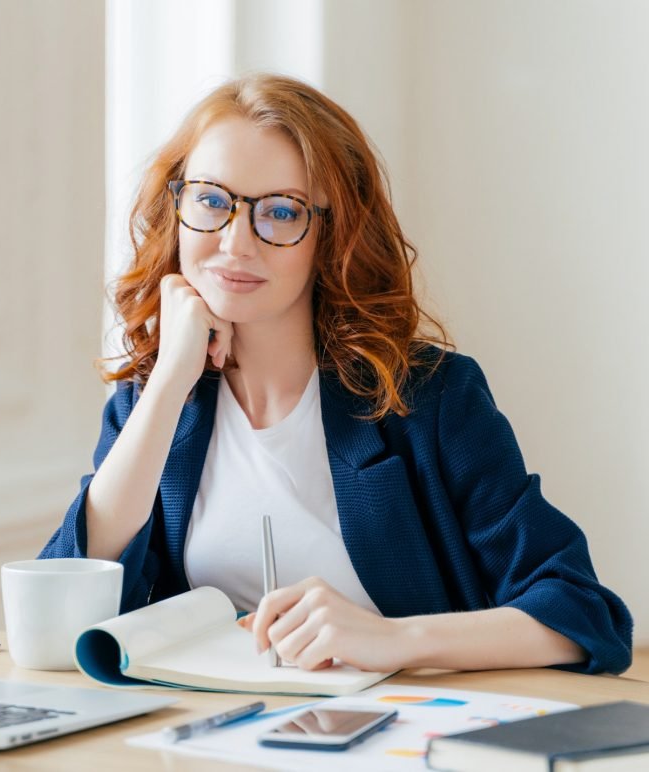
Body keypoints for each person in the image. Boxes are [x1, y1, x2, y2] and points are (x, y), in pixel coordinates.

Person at [39, 74, 631, 675]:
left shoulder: (431, 396)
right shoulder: (152, 398)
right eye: (212, 201)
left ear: (331, 235)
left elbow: (583, 614)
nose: (236, 242)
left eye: (280, 212)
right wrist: (168, 383)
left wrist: (393, 639)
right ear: (177, 206)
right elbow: (61, 605)